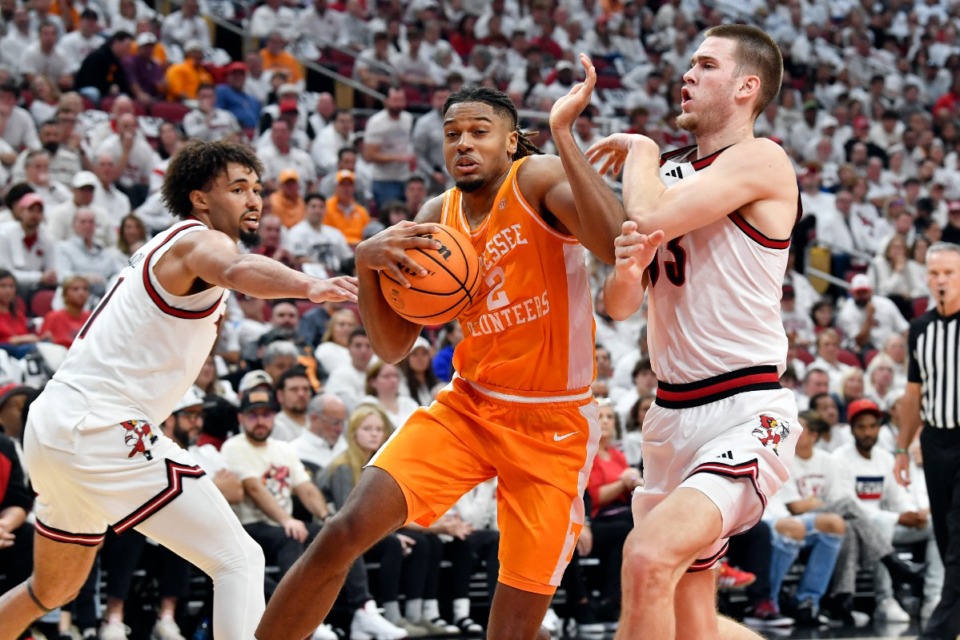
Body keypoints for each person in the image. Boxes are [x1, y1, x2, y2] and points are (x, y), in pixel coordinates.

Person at [257, 57, 627, 640]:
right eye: (453, 133)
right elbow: (395, 346)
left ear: (510, 142)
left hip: (552, 426)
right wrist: (367, 265)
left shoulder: (536, 179)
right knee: (343, 530)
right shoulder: (436, 218)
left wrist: (563, 135)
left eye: (480, 131)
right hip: (469, 407)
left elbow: (614, 241)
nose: (464, 143)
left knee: (510, 629)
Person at [0, 140, 358, 640]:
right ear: (200, 199)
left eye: (257, 189)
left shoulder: (162, 246)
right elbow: (236, 270)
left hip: (55, 425)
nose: (254, 199)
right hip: (101, 425)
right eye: (238, 189)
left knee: (51, 590)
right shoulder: (199, 241)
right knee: (238, 558)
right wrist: (309, 285)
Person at [587, 25, 801, 639]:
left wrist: (640, 152)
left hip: (744, 410)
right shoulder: (671, 174)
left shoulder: (763, 158)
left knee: (647, 559)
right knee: (693, 621)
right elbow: (623, 303)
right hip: (669, 419)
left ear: (745, 87)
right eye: (689, 64)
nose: (687, 75)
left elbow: (648, 213)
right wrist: (628, 268)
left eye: (706, 65)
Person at [894, 241, 960, 640]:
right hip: (935, 442)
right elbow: (914, 395)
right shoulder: (920, 329)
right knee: (946, 535)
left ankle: (936, 632)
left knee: (958, 541)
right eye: (934, 274)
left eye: (949, 273)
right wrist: (902, 448)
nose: (941, 281)